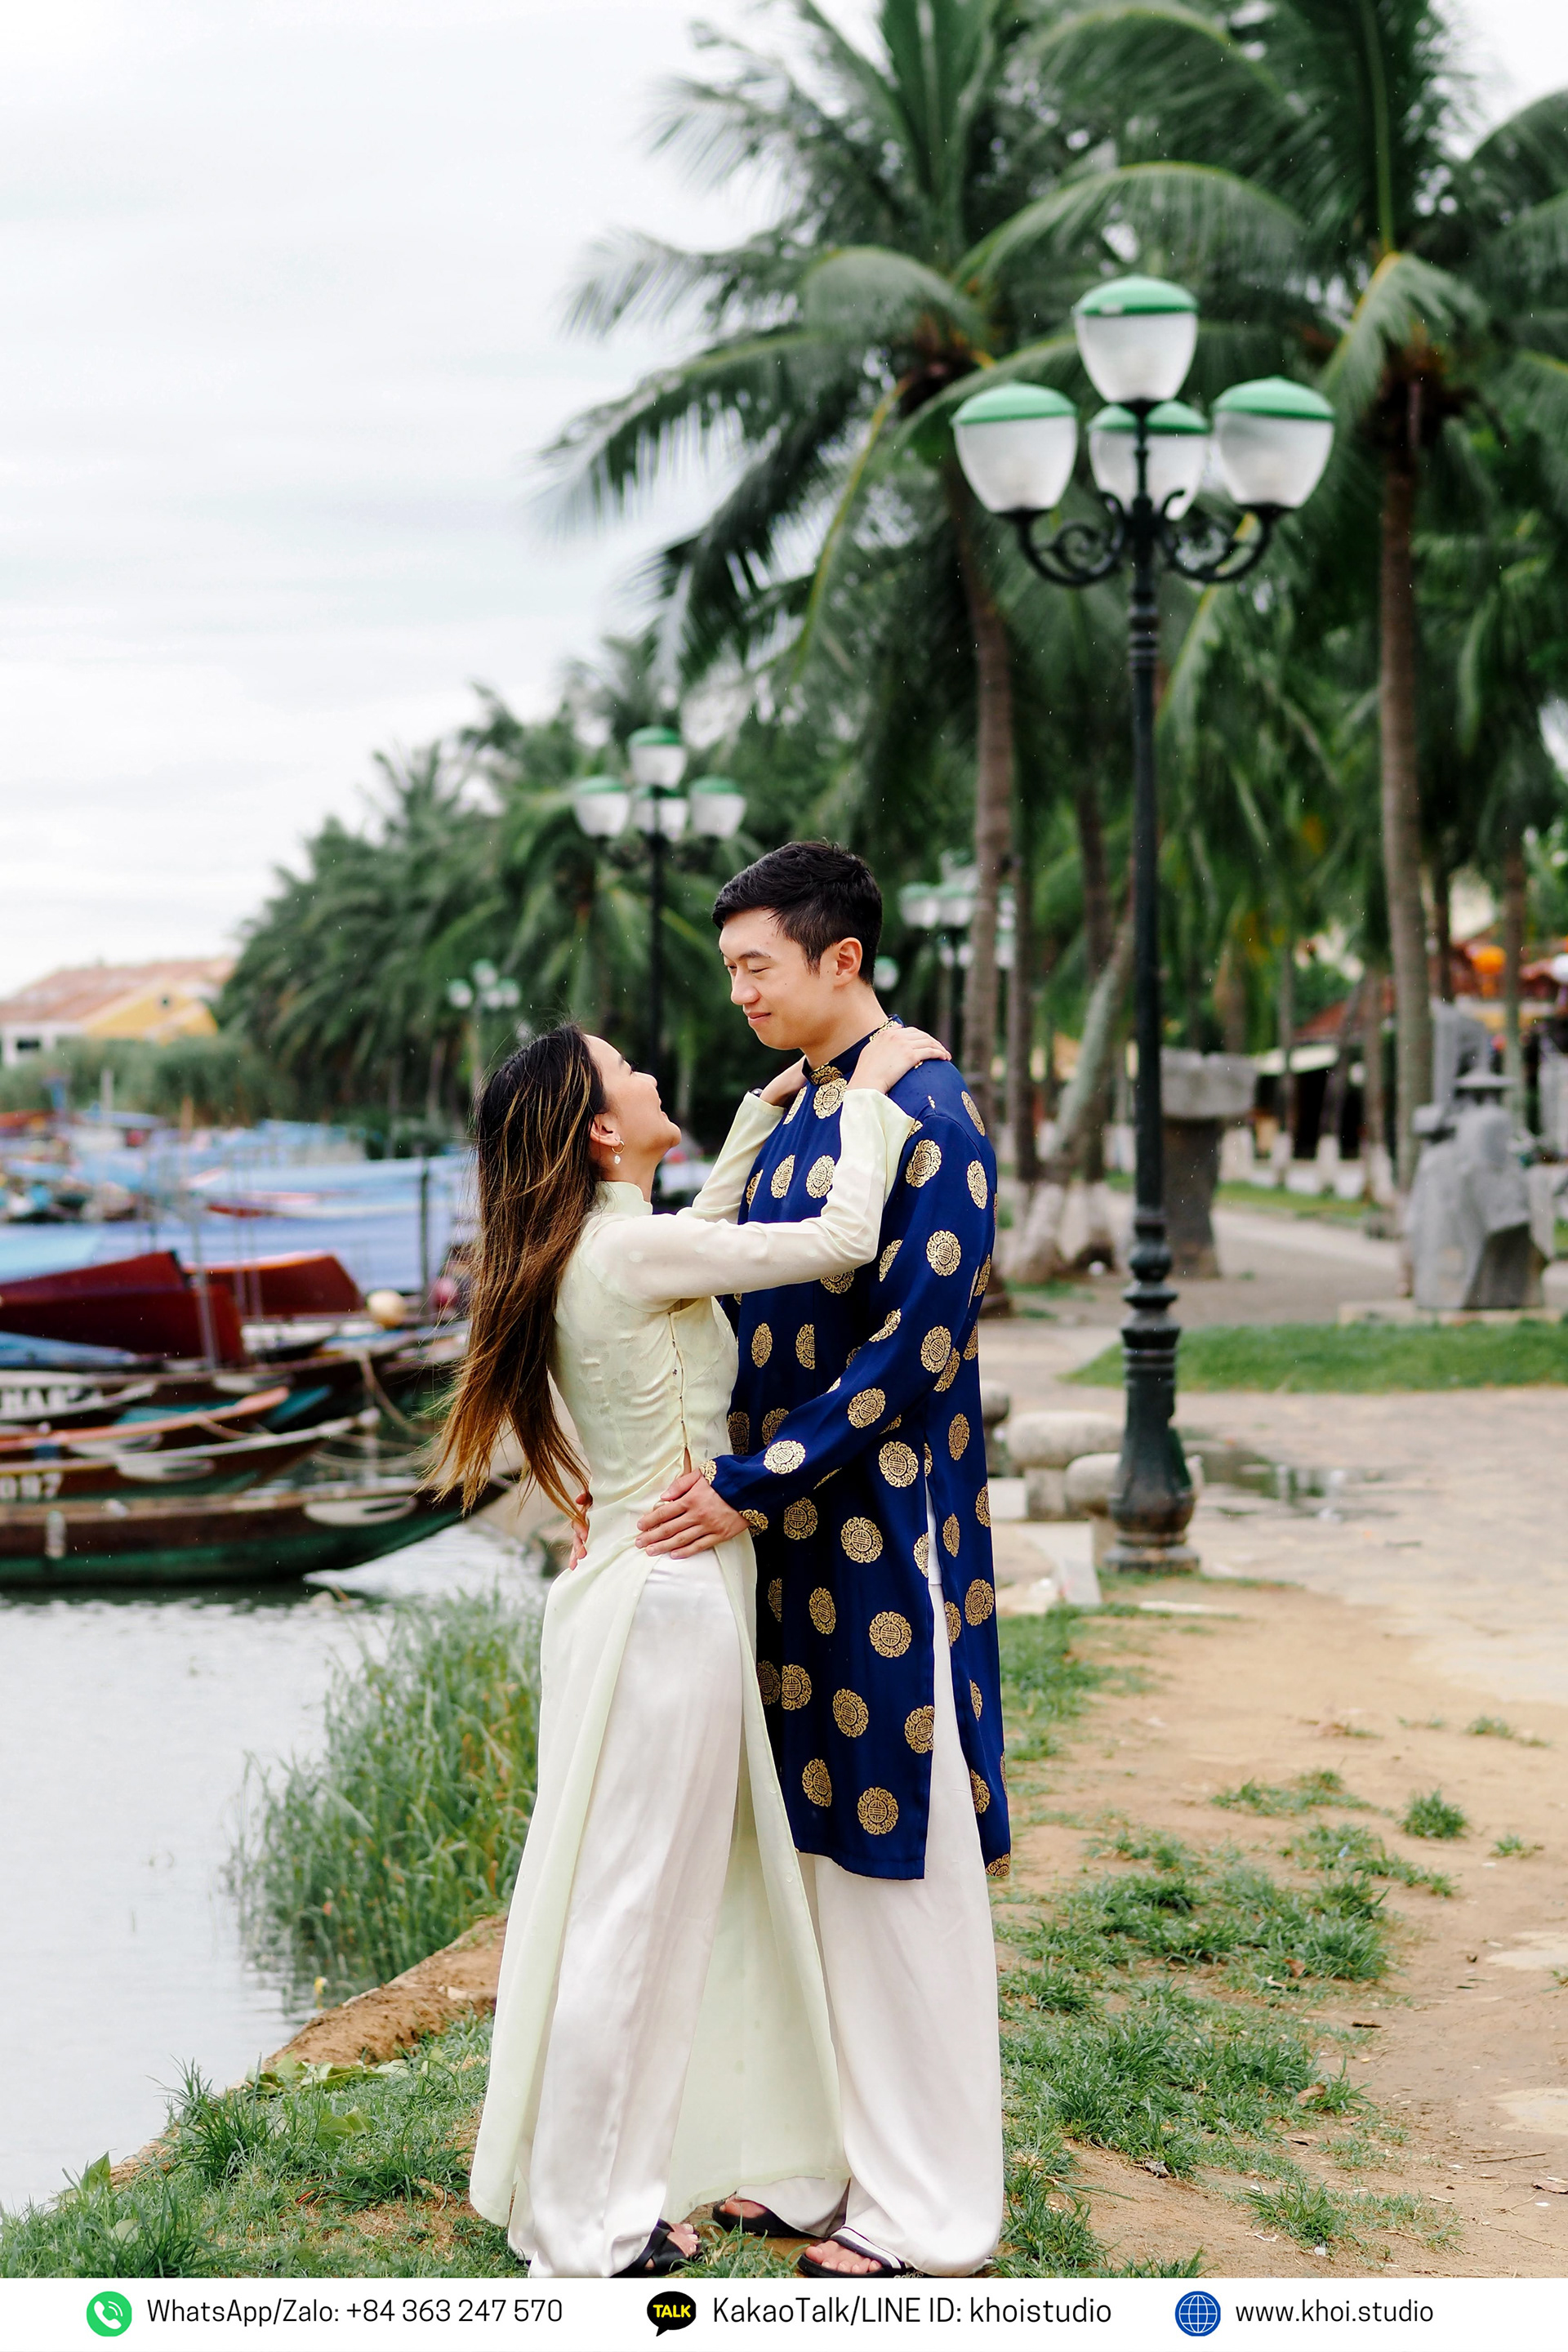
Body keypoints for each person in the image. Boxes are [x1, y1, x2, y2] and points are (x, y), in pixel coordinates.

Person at [440, 1016, 946, 2279]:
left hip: (636, 1581)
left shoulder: (604, 1244)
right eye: (628, 1070)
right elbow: (834, 1241)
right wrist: (876, 1104)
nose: (654, 1070)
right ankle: (586, 2227)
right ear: (604, 1128)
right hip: (669, 1608)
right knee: (635, 1914)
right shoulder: (632, 1248)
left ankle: (594, 2191)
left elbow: (698, 1231)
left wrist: (769, 1119)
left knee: (633, 1906)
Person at [636, 842, 1008, 2280]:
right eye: (729, 967)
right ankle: (812, 2168)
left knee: (898, 1868)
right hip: (786, 1544)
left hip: (883, 1536)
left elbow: (918, 1351)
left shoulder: (928, 1115)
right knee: (804, 1852)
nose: (737, 991)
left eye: (756, 967)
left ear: (839, 957)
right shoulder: (798, 1108)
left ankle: (929, 2215)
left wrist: (751, 1481)